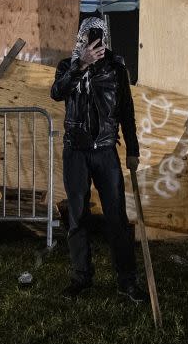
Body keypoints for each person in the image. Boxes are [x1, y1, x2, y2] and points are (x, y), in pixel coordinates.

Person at [50, 17, 147, 301]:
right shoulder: (68, 66)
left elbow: (126, 112)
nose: (92, 43)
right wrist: (81, 64)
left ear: (105, 40)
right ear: (80, 39)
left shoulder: (116, 69)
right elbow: (57, 93)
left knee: (116, 218)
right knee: (78, 217)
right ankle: (81, 277)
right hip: (75, 152)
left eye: (98, 37)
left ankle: (127, 281)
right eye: (87, 37)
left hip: (105, 151)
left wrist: (133, 149)